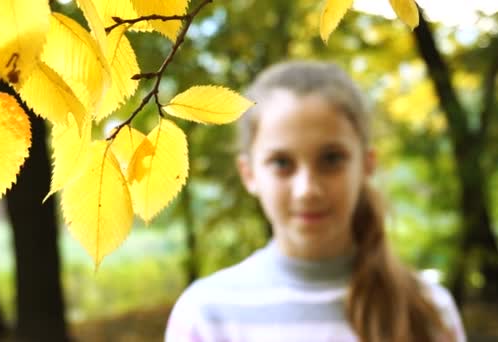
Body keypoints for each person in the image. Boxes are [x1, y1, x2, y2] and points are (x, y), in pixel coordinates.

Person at [164, 60, 466, 342]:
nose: (307, 190)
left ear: (367, 164)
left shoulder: (430, 309)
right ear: (249, 174)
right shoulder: (205, 314)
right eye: (282, 163)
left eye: (331, 159)